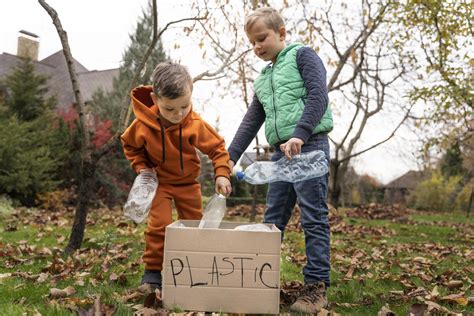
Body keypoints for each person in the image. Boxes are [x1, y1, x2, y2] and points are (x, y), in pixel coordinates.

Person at [227, 7, 333, 313]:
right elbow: (251, 120)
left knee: (313, 217)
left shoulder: (303, 56)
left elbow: (318, 95)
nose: (257, 46)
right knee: (272, 220)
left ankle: (315, 287)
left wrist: (300, 133)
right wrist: (229, 156)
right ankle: (261, 283)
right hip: (280, 155)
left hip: (309, 147)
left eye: (262, 38)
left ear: (281, 33)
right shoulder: (264, 79)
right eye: (252, 42)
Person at [121, 61, 232, 291]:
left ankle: (193, 268)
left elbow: (217, 148)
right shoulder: (142, 125)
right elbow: (129, 146)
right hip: (159, 183)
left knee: (194, 226)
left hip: (188, 185)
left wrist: (222, 174)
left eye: (184, 106)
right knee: (159, 225)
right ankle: (152, 274)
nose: (178, 114)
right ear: (154, 99)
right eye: (170, 109)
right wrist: (142, 168)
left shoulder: (194, 124)